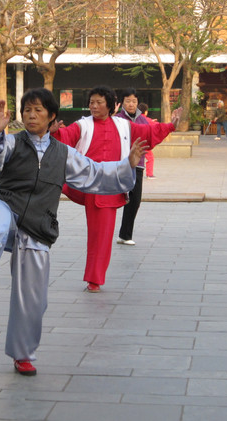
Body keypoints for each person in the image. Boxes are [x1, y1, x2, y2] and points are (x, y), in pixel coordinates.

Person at [0, 88, 148, 375]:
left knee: (34, 298)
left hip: (38, 223)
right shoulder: (13, 143)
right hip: (6, 203)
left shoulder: (64, 154)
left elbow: (96, 174)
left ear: (52, 117)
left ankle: (22, 354)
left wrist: (128, 164)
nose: (31, 114)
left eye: (38, 110)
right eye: (27, 109)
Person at [51, 85, 181, 292]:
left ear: (110, 105)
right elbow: (64, 137)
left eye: (99, 102)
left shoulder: (123, 126)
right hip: (90, 183)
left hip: (112, 184)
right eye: (91, 102)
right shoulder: (83, 125)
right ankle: (94, 278)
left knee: (103, 233)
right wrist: (54, 132)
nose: (93, 106)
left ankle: (95, 278)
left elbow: (148, 131)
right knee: (99, 233)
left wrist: (170, 126)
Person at [114, 88, 150, 246]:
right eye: (128, 101)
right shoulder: (117, 119)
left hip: (138, 164)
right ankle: (103, 230)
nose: (131, 104)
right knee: (111, 198)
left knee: (135, 199)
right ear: (122, 102)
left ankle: (125, 235)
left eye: (134, 101)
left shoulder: (143, 120)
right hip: (120, 164)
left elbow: (149, 137)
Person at [138, 103, 156, 179]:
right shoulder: (147, 120)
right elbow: (157, 126)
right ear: (145, 111)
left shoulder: (136, 119)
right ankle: (149, 174)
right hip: (145, 143)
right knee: (150, 157)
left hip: (135, 142)